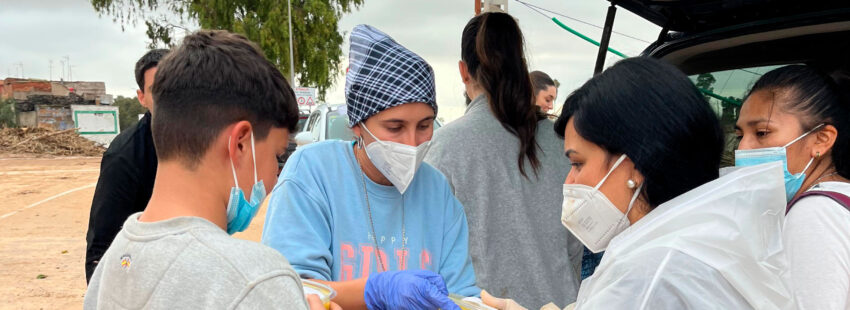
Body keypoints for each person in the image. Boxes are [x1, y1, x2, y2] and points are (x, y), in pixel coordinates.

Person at [481, 57, 792, 309]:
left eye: (577, 163)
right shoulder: (709, 238)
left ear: (634, 166)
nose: (570, 180)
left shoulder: (651, 272)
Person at [85, 30, 329, 309]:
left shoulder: (113, 263)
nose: (275, 176)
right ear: (240, 143)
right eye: (276, 155)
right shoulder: (257, 281)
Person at [262, 24, 478, 310]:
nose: (412, 143)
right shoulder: (315, 173)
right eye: (395, 127)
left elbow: (460, 294)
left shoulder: (437, 192)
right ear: (357, 126)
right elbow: (291, 291)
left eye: (424, 126)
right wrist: (375, 291)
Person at [425, 12, 582, 309]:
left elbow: (430, 254)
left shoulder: (445, 146)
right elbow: (577, 245)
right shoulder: (565, 144)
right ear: (521, 66)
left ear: (463, 71)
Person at [734, 64, 850, 309]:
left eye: (762, 132)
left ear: (821, 139)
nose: (742, 149)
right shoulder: (839, 201)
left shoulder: (814, 214)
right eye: (739, 136)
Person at [85, 48, 167, 282]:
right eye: (157, 91)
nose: (168, 98)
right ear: (142, 97)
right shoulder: (124, 156)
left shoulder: (202, 142)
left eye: (174, 88)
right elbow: (101, 244)